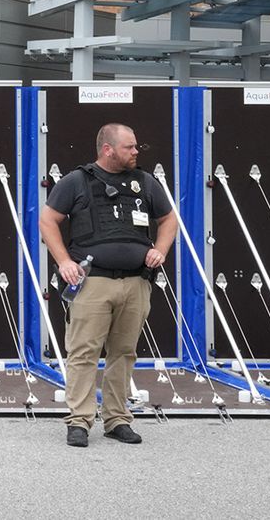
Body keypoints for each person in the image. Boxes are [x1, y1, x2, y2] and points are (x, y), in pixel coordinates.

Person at [39, 122, 178, 448]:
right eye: (129, 147)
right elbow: (47, 220)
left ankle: (117, 419)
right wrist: (64, 261)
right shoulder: (76, 181)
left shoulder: (145, 182)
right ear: (108, 149)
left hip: (136, 282)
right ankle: (79, 421)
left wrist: (160, 249)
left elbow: (169, 219)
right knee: (83, 352)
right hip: (93, 282)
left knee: (124, 353)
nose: (136, 151)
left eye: (135, 146)